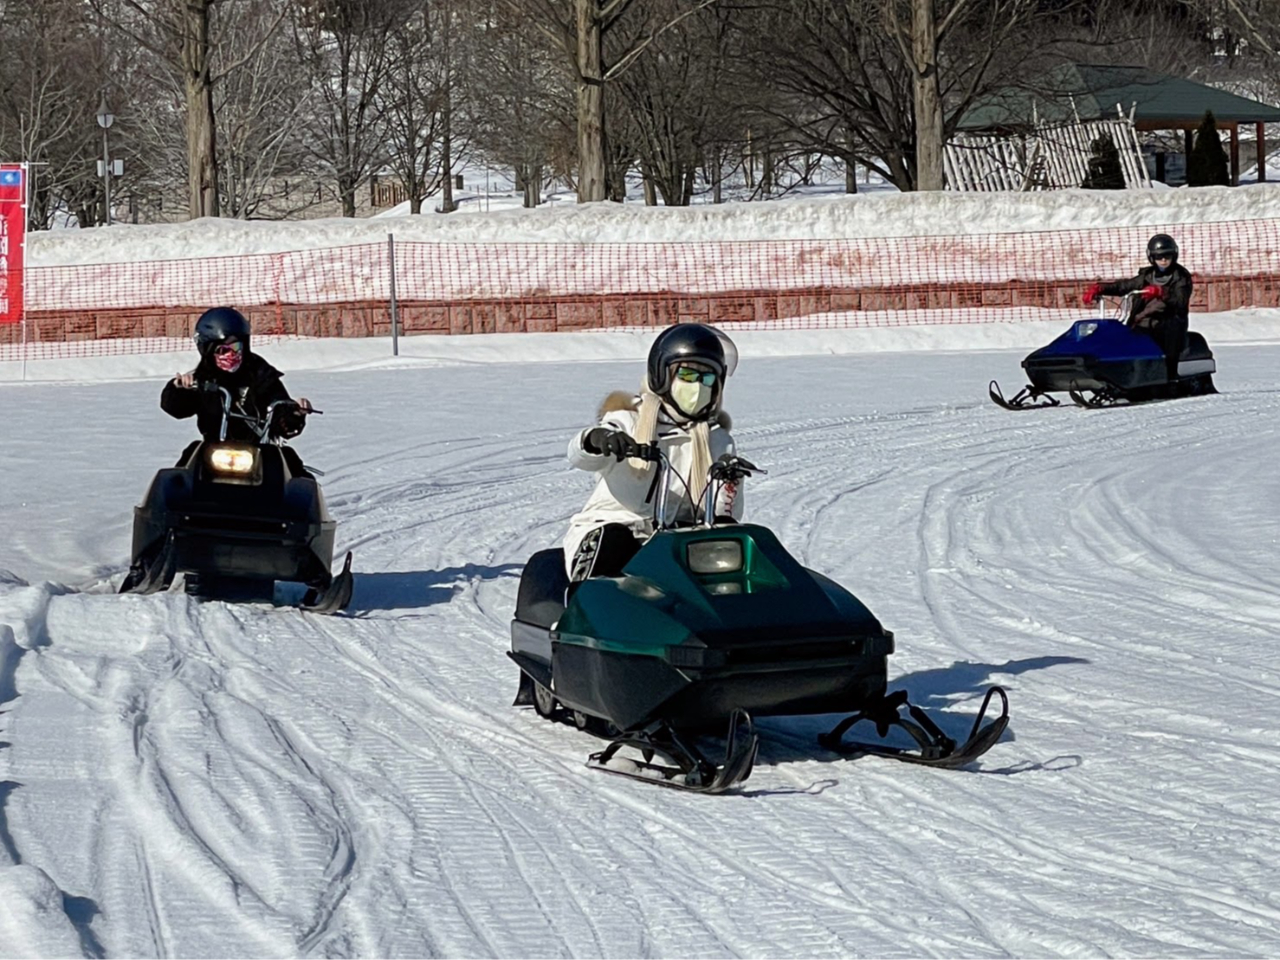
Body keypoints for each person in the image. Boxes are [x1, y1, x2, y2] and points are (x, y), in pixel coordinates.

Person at [563, 322, 745, 580]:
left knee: (732, 552)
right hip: (612, 531)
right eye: (688, 376)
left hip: (676, 541)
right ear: (662, 375)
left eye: (707, 378)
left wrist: (729, 484)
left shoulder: (717, 440)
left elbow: (724, 515)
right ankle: (578, 613)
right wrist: (597, 439)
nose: (698, 388)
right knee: (614, 543)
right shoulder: (629, 421)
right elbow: (580, 456)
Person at [162, 306, 313, 466]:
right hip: (213, 451)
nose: (231, 355)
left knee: (290, 467)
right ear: (208, 350)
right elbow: (177, 409)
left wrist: (294, 413)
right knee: (186, 466)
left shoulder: (261, 375)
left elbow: (280, 412)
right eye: (222, 350)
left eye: (236, 348)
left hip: (258, 452)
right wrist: (178, 389)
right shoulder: (202, 379)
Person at [1081, 234, 1192, 379]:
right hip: (1142, 320)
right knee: (1119, 335)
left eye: (1167, 256)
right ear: (1152, 258)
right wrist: (1100, 288)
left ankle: (1168, 377)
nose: (1163, 260)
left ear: (1174, 256)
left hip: (1169, 321)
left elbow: (1180, 300)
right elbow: (1124, 286)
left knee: (1162, 338)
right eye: (1159, 257)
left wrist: (1161, 292)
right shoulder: (1147, 276)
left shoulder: (1181, 277)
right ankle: (1113, 371)